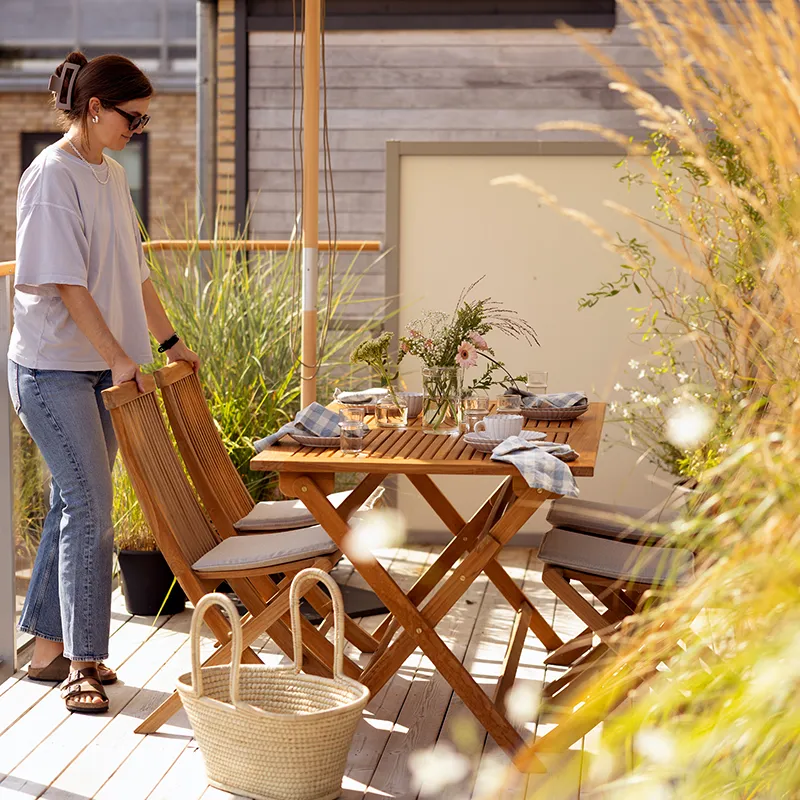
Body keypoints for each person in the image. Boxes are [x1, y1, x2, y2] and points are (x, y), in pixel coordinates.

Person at [6, 51, 200, 714]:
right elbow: (67, 282)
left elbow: (134, 271)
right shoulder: (50, 178)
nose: (138, 130)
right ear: (94, 108)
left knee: (71, 502)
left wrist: (172, 341)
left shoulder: (112, 174)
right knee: (89, 507)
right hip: (52, 369)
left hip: (99, 364)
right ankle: (83, 663)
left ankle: (44, 649)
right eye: (133, 118)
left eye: (143, 121)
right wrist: (121, 358)